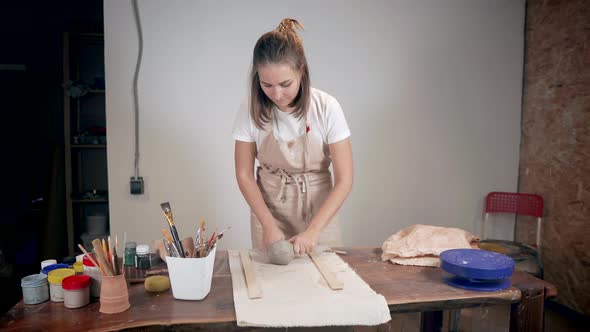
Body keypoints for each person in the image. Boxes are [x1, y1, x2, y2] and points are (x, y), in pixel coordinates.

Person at [233, 18, 353, 256]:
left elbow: (345, 180)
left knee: (324, 284)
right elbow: (244, 175)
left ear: (301, 71)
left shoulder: (326, 107)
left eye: (285, 84)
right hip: (268, 210)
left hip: (319, 212)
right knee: (271, 284)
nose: (277, 94)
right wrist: (268, 225)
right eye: (266, 84)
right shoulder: (250, 110)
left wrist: (314, 231)